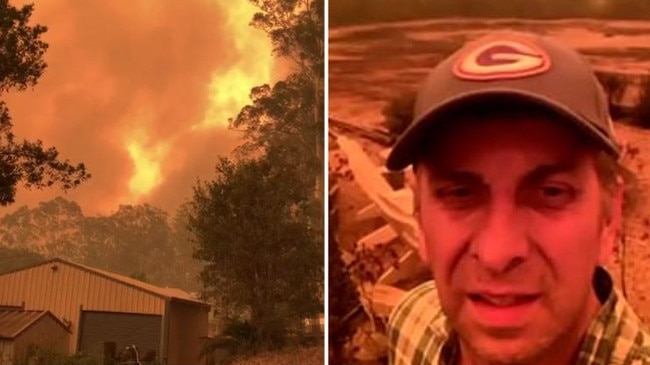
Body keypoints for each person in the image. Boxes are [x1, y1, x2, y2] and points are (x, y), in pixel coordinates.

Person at [384, 31, 650, 365]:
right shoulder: (412, 325)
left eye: (551, 193)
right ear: (420, 218)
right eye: (460, 194)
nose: (498, 254)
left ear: (609, 219)